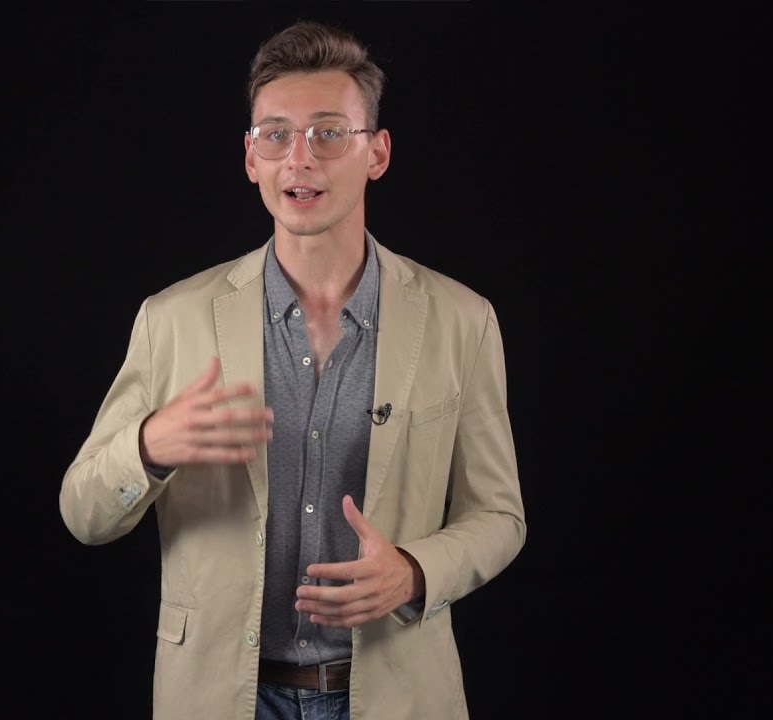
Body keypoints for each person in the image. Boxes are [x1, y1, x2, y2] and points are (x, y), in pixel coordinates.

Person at [59, 19, 525, 720]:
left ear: (377, 153)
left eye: (328, 133)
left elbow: (500, 515)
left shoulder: (463, 320)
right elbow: (82, 513)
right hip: (220, 698)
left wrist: (414, 573)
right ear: (251, 157)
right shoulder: (172, 319)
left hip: (397, 695)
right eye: (276, 135)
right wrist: (149, 446)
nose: (299, 160)